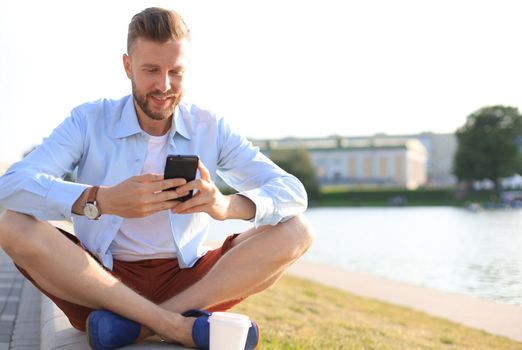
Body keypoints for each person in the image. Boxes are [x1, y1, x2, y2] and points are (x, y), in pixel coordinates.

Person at [0, 7, 314, 350]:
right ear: (128, 66)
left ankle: (140, 326)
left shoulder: (210, 127)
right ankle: (177, 326)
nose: (164, 86)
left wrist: (225, 206)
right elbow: (11, 185)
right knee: (10, 224)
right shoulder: (88, 121)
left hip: (188, 281)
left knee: (298, 230)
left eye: (175, 72)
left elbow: (292, 192)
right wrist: (98, 200)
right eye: (151, 70)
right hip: (97, 283)